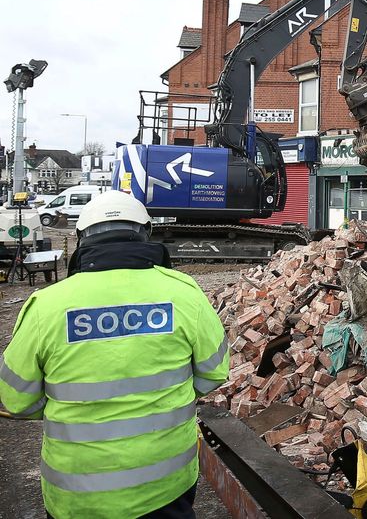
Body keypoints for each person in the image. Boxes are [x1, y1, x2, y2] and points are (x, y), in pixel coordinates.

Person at [0, 191, 230, 519]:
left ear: (81, 240)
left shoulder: (46, 306)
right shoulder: (183, 293)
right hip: (165, 486)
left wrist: (67, 408)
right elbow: (214, 372)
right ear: (144, 233)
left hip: (76, 493)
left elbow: (17, 400)